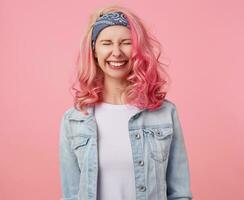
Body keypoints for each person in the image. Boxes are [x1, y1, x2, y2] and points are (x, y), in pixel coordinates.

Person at [59, 5, 193, 200]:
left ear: (138, 49)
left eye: (126, 42)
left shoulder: (165, 113)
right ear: (95, 50)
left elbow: (179, 194)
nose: (116, 52)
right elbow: (71, 195)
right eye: (106, 43)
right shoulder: (74, 120)